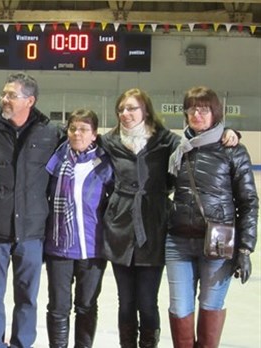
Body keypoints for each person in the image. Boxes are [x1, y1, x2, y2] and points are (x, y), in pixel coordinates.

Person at [100, 88, 239, 348]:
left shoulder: (167, 142)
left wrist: (228, 132)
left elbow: (200, 142)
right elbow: (78, 136)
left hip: (154, 226)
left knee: (147, 300)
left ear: (146, 111)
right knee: (126, 301)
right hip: (120, 228)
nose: (125, 114)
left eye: (132, 108)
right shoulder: (109, 142)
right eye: (121, 109)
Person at [165, 86, 258, 348]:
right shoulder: (178, 149)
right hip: (178, 243)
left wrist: (245, 248)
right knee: (179, 308)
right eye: (192, 108)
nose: (197, 113)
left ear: (215, 112)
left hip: (218, 245)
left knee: (210, 305)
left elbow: (248, 201)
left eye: (203, 108)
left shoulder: (233, 150)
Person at [0, 72, 63, 348]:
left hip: (32, 232)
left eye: (11, 95)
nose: (4, 99)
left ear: (30, 100)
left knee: (27, 296)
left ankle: (22, 344)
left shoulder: (51, 133)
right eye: (3, 94)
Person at [44, 109, 113, 348]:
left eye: (84, 129)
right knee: (58, 307)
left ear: (94, 134)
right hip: (59, 247)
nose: (77, 134)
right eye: (73, 128)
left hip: (92, 249)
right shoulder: (55, 159)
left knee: (86, 305)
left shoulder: (105, 163)